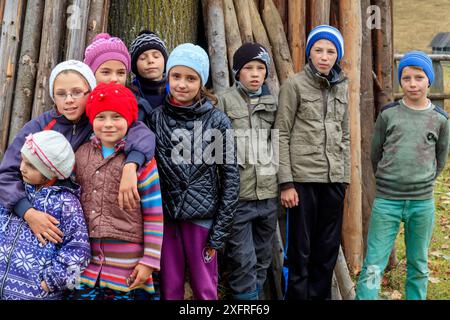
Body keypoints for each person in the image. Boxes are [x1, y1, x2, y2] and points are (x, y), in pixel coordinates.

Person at [0, 60, 155, 246]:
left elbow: (142, 134)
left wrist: (131, 165)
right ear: (53, 97)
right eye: (61, 94)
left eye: (76, 92)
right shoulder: (39, 127)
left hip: (82, 220)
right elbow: (6, 174)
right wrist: (28, 212)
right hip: (35, 214)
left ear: (90, 92)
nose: (69, 100)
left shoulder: (99, 122)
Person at [355, 51, 449, 300]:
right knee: (374, 261)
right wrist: (389, 180)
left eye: (419, 77)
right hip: (387, 202)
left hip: (422, 203)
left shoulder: (439, 119)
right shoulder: (389, 115)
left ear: (429, 80)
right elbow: (375, 154)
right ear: (400, 81)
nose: (412, 83)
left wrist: (424, 180)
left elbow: (440, 158)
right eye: (406, 77)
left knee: (418, 262)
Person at [149, 43, 240, 300]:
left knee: (204, 288)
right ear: (168, 77)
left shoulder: (217, 121)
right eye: (176, 76)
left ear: (202, 82)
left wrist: (219, 231)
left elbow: (231, 178)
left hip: (203, 220)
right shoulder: (155, 119)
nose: (182, 84)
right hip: (166, 219)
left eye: (191, 78)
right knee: (170, 286)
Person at [274, 25, 350, 300]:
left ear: (337, 56)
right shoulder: (294, 85)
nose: (324, 56)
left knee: (326, 252)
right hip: (302, 183)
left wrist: (344, 179)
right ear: (309, 53)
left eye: (331, 51)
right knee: (300, 253)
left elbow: (346, 135)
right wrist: (286, 183)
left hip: (333, 182)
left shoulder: (342, 86)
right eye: (318, 50)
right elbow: (280, 133)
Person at [69, 82, 163, 300]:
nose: (108, 124)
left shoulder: (142, 163)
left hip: (128, 265)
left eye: (116, 117)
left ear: (129, 120)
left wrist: (149, 260)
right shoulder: (80, 155)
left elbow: (154, 214)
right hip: (85, 265)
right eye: (101, 117)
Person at [216, 42, 278, 300]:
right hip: (238, 199)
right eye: (248, 68)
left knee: (263, 259)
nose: (255, 74)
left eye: (260, 68)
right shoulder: (224, 102)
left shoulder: (273, 102)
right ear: (236, 72)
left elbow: (279, 142)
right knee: (243, 260)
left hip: (268, 195)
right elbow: (215, 149)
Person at [0, 131, 90, 300]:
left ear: (52, 172)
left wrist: (52, 282)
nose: (21, 168)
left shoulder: (66, 203)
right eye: (22, 160)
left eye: (31, 165)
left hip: (36, 294)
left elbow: (79, 251)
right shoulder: (16, 193)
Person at [129, 30, 169, 120]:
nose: (150, 61)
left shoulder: (176, 91)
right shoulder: (130, 95)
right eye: (143, 58)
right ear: (135, 66)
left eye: (156, 56)